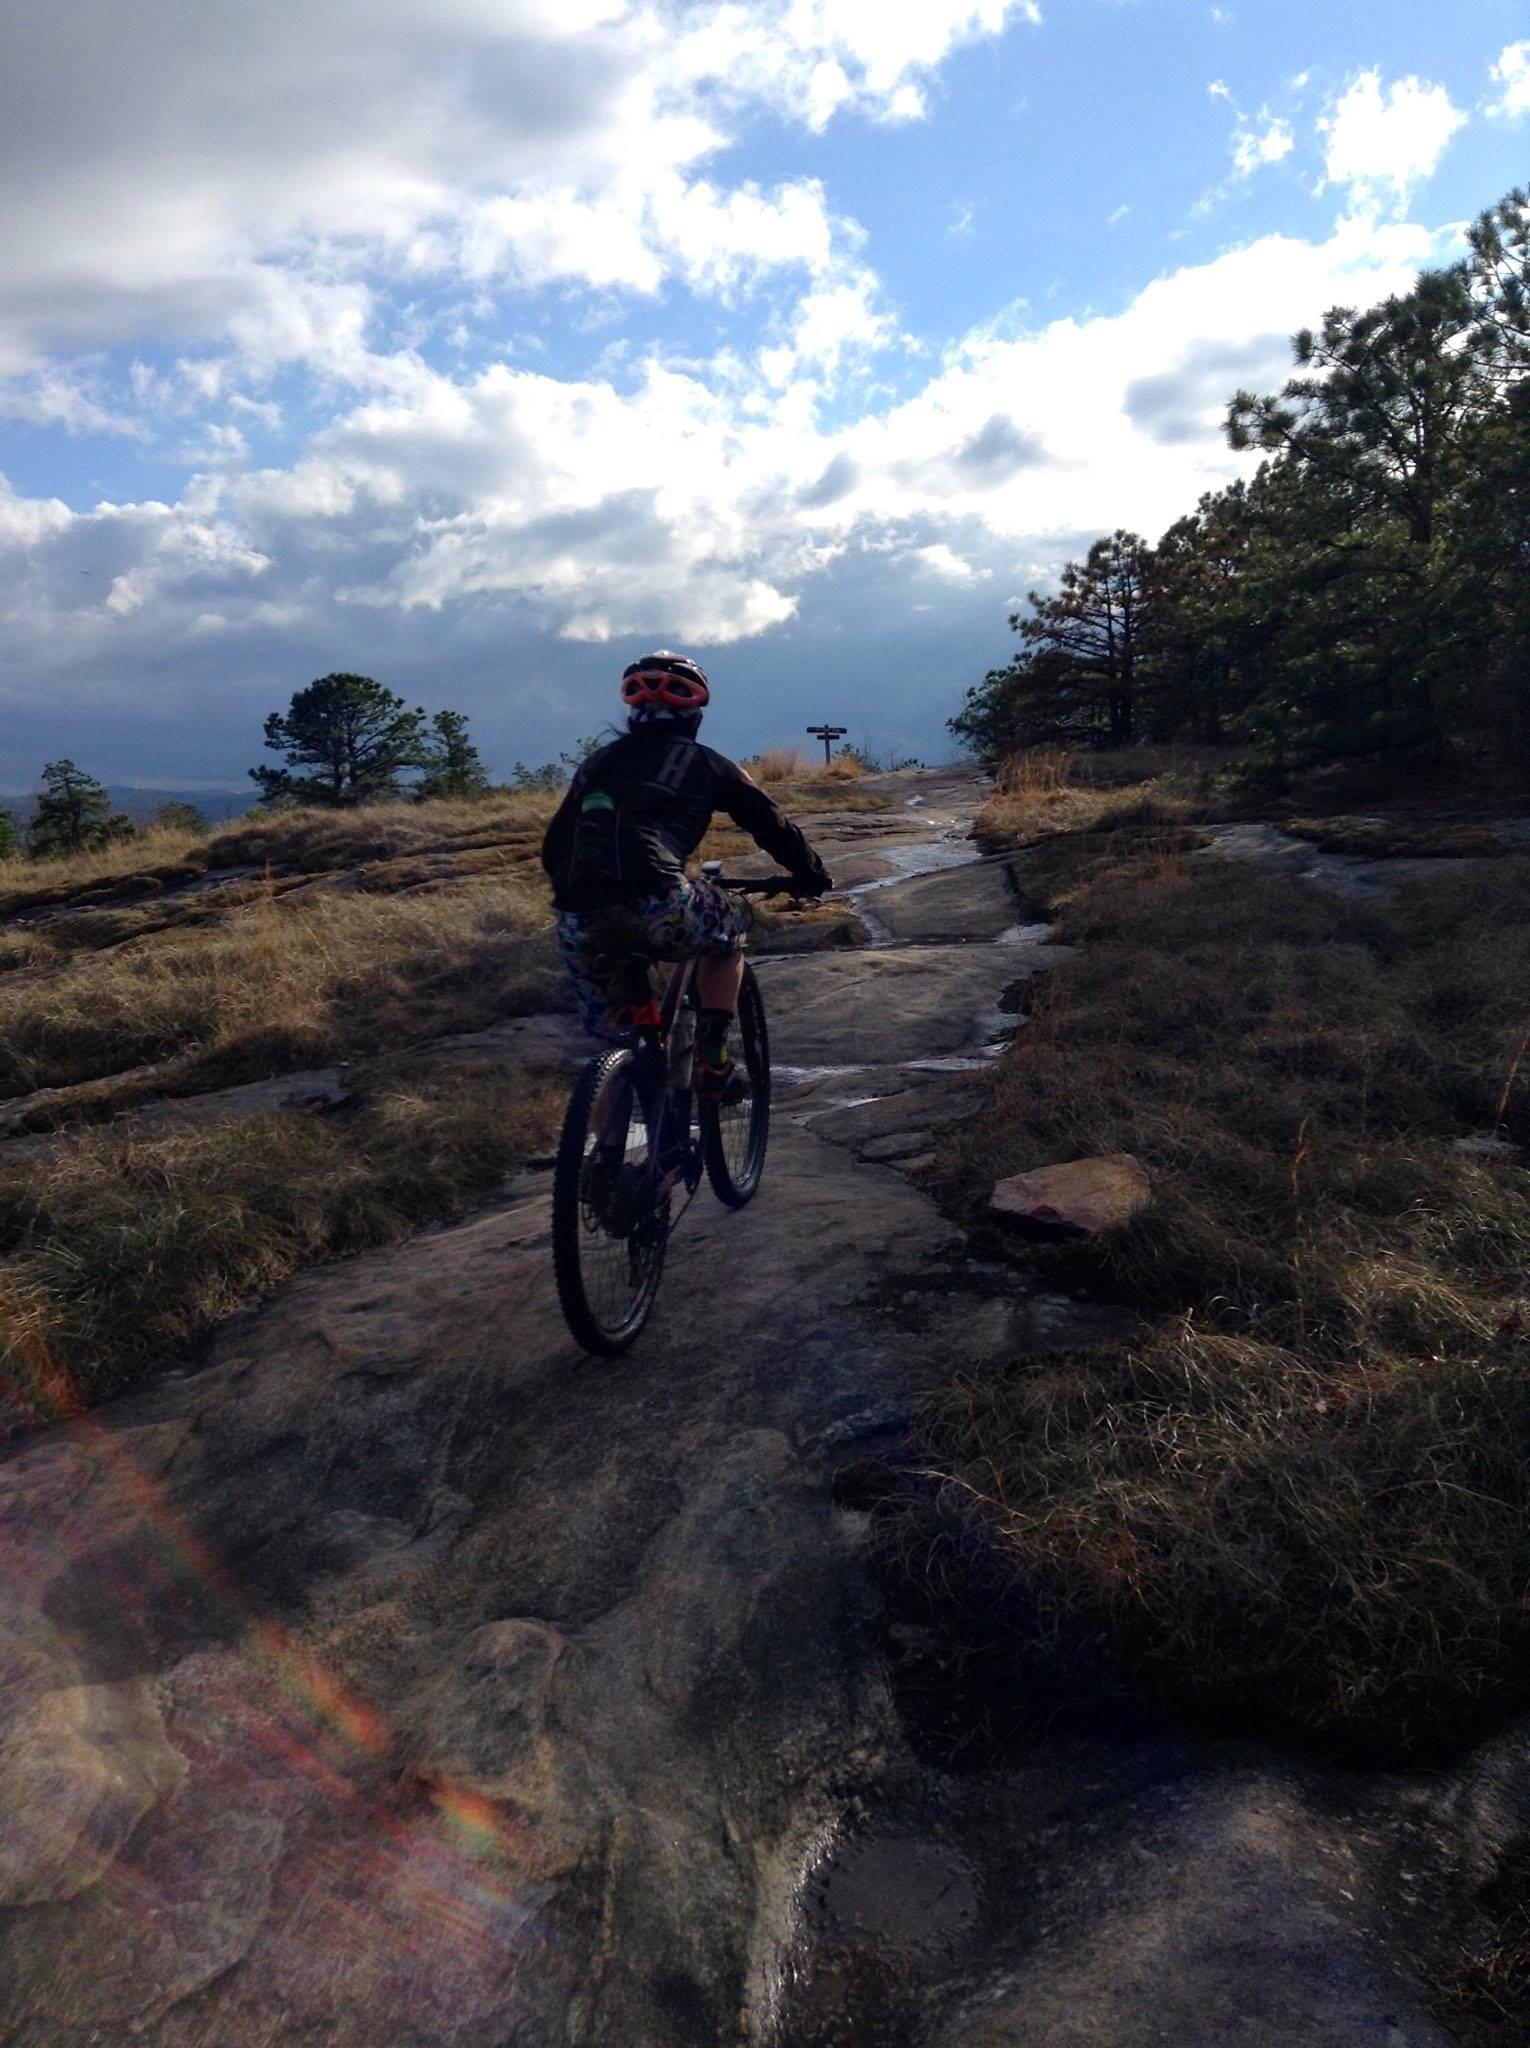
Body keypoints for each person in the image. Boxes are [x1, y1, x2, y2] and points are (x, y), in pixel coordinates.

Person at [541, 651, 833, 1101]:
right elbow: (770, 824)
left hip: (579, 918)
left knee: (617, 1048)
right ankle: (714, 1064)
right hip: (662, 902)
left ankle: (603, 1164)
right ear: (693, 716)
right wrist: (811, 874)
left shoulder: (598, 763)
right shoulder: (709, 764)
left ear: (633, 715)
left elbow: (553, 845)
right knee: (731, 930)